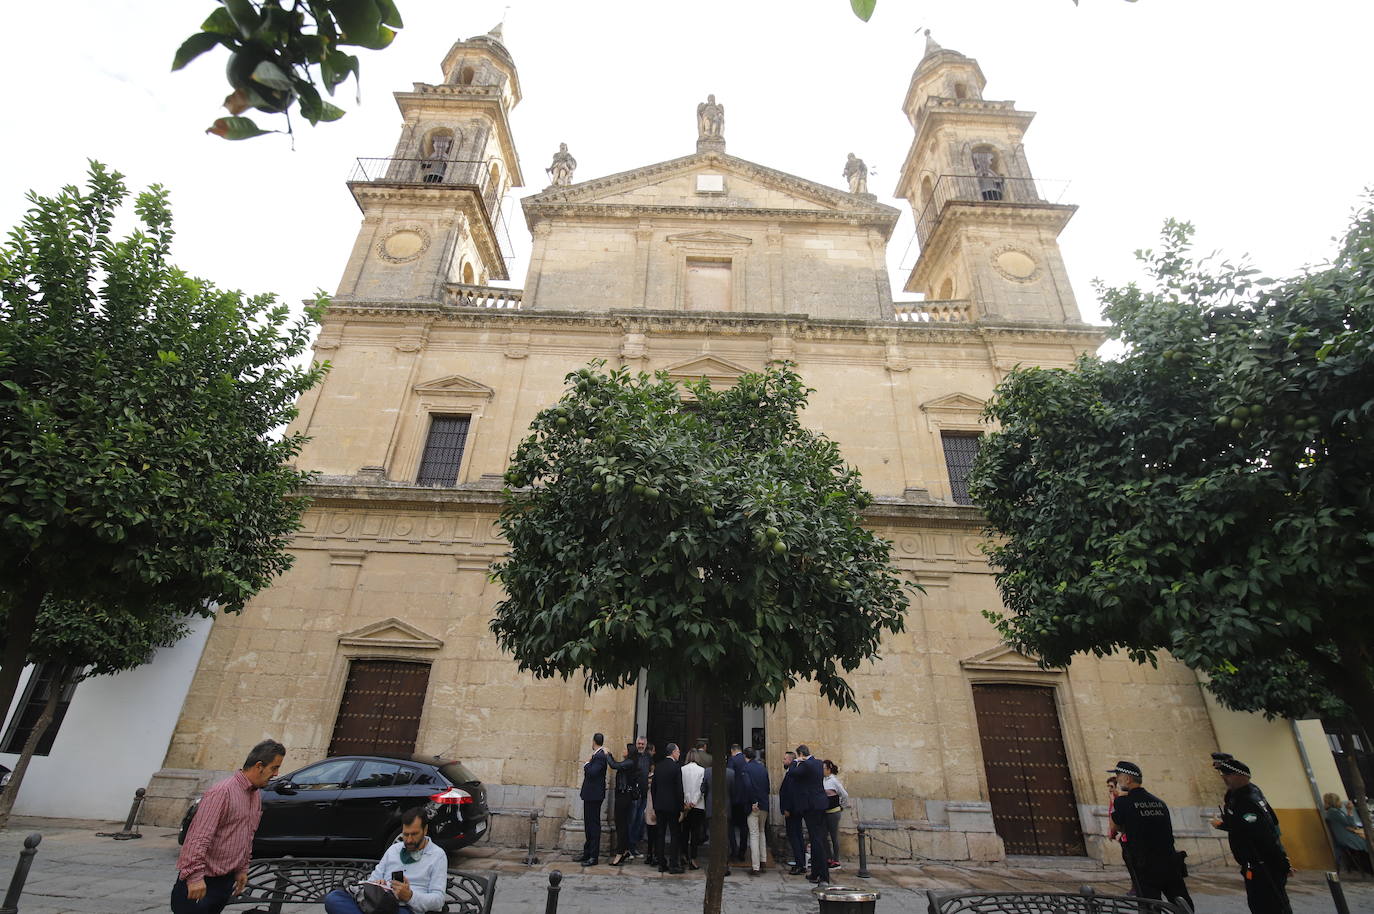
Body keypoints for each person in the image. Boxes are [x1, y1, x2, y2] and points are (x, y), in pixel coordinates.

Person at [172, 739, 284, 914]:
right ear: (259, 766)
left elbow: (246, 835)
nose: (276, 774)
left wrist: (241, 869)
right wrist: (194, 877)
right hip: (202, 881)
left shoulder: (254, 795)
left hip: (224, 881)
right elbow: (198, 837)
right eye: (274, 768)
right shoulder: (222, 792)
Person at [323, 807, 448, 913]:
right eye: (405, 834)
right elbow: (371, 881)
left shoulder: (437, 855)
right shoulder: (394, 850)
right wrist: (377, 884)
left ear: (425, 830)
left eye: (414, 834)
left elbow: (438, 901)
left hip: (406, 908)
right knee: (333, 898)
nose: (409, 840)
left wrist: (410, 896)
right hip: (378, 903)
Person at [1210, 753, 1292, 914]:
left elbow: (1263, 834)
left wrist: (1282, 862)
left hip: (1262, 864)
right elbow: (1271, 822)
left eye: (1226, 774)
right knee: (1269, 903)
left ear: (1239, 776)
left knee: (1267, 905)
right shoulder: (1248, 792)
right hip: (1256, 863)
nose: (1223, 778)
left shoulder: (1245, 799)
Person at [1106, 761, 1193, 912]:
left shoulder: (1123, 802)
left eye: (1118, 776)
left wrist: (1114, 801)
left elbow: (1114, 827)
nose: (1117, 780)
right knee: (1181, 902)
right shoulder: (1159, 802)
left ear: (1127, 779)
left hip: (1144, 863)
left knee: (1150, 904)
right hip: (1170, 860)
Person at [794, 744, 832, 884]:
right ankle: (815, 873)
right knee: (817, 838)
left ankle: (823, 875)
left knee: (817, 840)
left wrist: (796, 761)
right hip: (820, 803)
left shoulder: (806, 764)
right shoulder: (818, 763)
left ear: (801, 754)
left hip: (811, 806)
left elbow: (793, 773)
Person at [575, 732, 610, 866]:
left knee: (593, 826)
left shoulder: (599, 756)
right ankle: (587, 852)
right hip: (590, 795)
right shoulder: (598, 755)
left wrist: (587, 763)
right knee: (588, 825)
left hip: (594, 796)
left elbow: (592, 772)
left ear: (594, 741)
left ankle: (593, 856)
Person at [1106, 774, 1142, 895]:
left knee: (1133, 865)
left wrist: (1113, 832)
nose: (1110, 790)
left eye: (1111, 787)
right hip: (1125, 838)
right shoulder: (1116, 800)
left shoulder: (1121, 802)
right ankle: (1136, 886)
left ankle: (1137, 887)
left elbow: (1116, 820)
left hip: (1129, 838)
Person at [653, 743, 685, 873]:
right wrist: (681, 808)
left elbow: (653, 788)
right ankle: (673, 864)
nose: (679, 754)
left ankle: (661, 863)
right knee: (674, 834)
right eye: (678, 752)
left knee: (660, 834)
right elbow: (679, 789)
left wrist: (655, 804)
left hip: (659, 805)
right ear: (672, 752)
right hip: (672, 807)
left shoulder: (658, 766)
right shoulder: (676, 767)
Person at [609, 742, 642, 866]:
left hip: (624, 797)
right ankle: (626, 850)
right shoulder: (630, 763)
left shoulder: (630, 762)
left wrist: (608, 754)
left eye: (625, 749)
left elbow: (614, 765)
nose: (623, 750)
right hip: (623, 796)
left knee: (621, 825)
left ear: (629, 752)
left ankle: (620, 852)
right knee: (622, 824)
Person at [1324, 792, 1372, 874]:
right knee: (1369, 842)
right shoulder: (1334, 812)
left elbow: (1349, 825)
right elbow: (1351, 824)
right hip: (1347, 838)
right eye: (1339, 800)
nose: (1341, 803)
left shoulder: (1336, 812)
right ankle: (1369, 868)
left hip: (1347, 836)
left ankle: (1368, 868)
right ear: (1334, 802)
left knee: (1368, 839)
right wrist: (1349, 810)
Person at [743, 747, 771, 875]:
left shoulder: (746, 768)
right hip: (764, 804)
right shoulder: (763, 768)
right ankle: (763, 861)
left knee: (754, 835)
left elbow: (747, 786)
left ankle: (756, 867)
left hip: (754, 806)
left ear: (745, 756)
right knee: (762, 832)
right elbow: (767, 786)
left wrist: (753, 802)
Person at [779, 750, 806, 874]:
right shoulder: (793, 773)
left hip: (792, 810)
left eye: (785, 759)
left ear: (790, 760)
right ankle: (801, 862)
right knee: (798, 836)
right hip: (797, 809)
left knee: (795, 836)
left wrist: (787, 809)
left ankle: (800, 864)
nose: (783, 761)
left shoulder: (792, 774)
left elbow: (790, 793)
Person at [681, 748, 707, 869]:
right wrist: (694, 801)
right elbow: (701, 788)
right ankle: (693, 858)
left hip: (685, 805)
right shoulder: (702, 770)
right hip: (698, 805)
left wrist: (687, 801)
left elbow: (681, 787)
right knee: (695, 833)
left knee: (685, 831)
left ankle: (684, 854)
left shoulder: (682, 769)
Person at [822, 759, 850, 870]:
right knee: (824, 836)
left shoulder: (834, 781)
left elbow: (844, 794)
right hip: (824, 812)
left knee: (834, 836)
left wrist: (841, 806)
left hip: (833, 812)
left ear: (829, 769)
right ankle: (828, 857)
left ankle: (836, 860)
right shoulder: (822, 780)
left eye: (823, 768)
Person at [628, 735, 651, 857]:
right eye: (639, 744)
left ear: (646, 745)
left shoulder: (648, 757)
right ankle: (628, 847)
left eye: (642, 744)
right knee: (632, 820)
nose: (640, 746)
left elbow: (649, 771)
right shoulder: (632, 756)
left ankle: (634, 847)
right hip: (634, 794)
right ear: (636, 744)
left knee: (639, 821)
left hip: (644, 793)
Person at [727, 744, 750, 862]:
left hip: (734, 798)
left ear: (732, 751)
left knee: (730, 826)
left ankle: (734, 850)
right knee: (744, 827)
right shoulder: (747, 760)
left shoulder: (732, 760)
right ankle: (742, 852)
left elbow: (729, 776)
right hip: (745, 799)